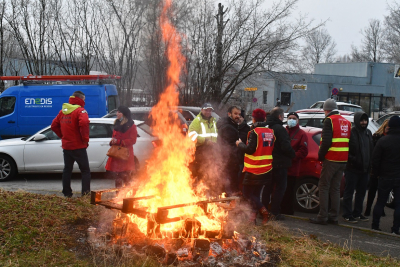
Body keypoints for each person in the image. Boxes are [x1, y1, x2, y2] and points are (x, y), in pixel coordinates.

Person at [309, 98, 351, 225]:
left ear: (326, 110)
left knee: (324, 186)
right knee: (335, 189)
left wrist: (320, 156)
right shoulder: (346, 122)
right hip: (343, 160)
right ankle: (334, 217)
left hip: (331, 159)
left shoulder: (329, 121)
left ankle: (322, 216)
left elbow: (326, 142)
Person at [236, 108, 274, 225]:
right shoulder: (270, 131)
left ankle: (264, 211)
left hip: (253, 169)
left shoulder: (255, 132)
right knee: (256, 194)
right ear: (264, 119)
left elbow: (250, 149)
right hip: (266, 168)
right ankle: (252, 218)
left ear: (253, 119)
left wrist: (240, 144)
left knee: (247, 193)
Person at [51, 91, 90, 197]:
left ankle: (67, 193)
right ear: (81, 99)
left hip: (67, 146)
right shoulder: (81, 111)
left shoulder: (63, 111)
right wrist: (85, 139)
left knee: (67, 170)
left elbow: (54, 125)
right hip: (78, 146)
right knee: (85, 170)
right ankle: (85, 193)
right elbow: (84, 123)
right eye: (84, 99)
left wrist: (62, 136)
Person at [261, 107, 295, 220]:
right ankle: (274, 212)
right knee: (280, 188)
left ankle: (263, 210)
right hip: (280, 164)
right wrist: (292, 154)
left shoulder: (267, 127)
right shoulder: (280, 129)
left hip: (268, 162)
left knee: (267, 188)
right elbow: (286, 146)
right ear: (280, 116)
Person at [371, 116, 400, 235]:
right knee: (399, 204)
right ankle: (395, 229)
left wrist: (376, 174)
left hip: (384, 176)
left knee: (380, 202)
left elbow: (375, 160)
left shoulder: (383, 141)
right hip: (399, 177)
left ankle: (375, 226)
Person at [342, 111, 373, 223]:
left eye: (365, 120)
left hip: (365, 170)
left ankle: (358, 213)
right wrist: (354, 160)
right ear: (357, 121)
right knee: (349, 192)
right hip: (352, 169)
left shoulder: (368, 133)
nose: (364, 122)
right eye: (361, 120)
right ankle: (347, 214)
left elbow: (371, 150)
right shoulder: (352, 133)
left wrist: (369, 165)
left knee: (361, 193)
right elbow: (347, 151)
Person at [281, 112, 308, 215]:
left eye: (293, 118)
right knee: (281, 189)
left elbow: (303, 151)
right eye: (289, 118)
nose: (291, 120)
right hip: (282, 167)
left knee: (289, 190)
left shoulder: (301, 134)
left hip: (292, 168)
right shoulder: (284, 131)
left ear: (297, 120)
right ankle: (280, 208)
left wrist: (292, 157)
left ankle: (288, 210)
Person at [105, 106, 137, 188]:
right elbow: (114, 136)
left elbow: (133, 140)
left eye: (119, 112)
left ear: (124, 114)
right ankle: (118, 196)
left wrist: (119, 142)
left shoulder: (131, 125)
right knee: (117, 177)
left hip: (125, 154)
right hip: (117, 154)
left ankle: (128, 196)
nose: (117, 114)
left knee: (126, 176)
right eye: (117, 112)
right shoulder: (116, 123)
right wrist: (112, 142)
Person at [188, 103, 218, 188]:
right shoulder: (197, 121)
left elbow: (214, 135)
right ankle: (197, 191)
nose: (208, 112)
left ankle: (206, 190)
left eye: (209, 110)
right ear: (202, 110)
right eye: (206, 110)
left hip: (211, 150)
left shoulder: (212, 121)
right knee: (200, 172)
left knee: (209, 172)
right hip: (200, 150)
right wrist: (205, 141)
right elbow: (191, 135)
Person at [364, 119, 390, 217]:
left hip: (384, 168)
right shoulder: (377, 137)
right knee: (373, 190)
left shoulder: (388, 138)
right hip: (376, 167)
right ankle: (368, 208)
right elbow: (373, 153)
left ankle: (380, 209)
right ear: (384, 127)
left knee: (382, 191)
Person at [217, 106, 241, 195]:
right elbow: (229, 147)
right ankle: (229, 202)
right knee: (229, 184)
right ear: (229, 114)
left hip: (228, 160)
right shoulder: (228, 128)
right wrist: (240, 146)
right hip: (229, 161)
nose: (238, 116)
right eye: (235, 114)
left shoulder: (232, 125)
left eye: (239, 114)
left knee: (227, 182)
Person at [237, 109, 251, 187]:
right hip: (232, 157)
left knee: (240, 176)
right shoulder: (231, 127)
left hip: (242, 158)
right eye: (237, 117)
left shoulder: (248, 129)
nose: (239, 118)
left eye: (240, 117)